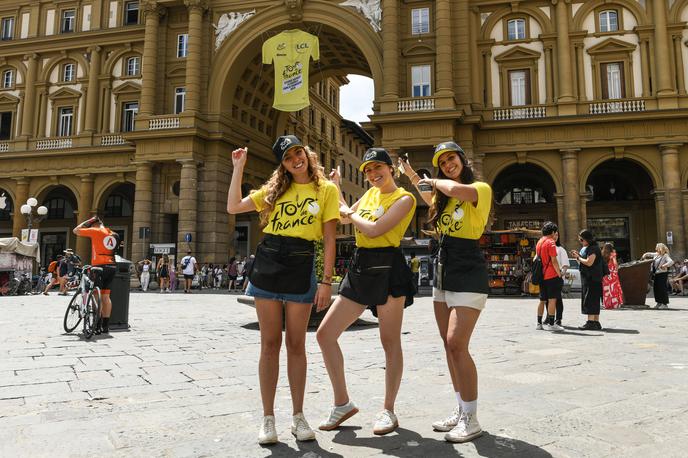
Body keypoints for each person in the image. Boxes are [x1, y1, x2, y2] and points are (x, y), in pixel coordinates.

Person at [227, 135, 339, 445]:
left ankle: (298, 416)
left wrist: (327, 282)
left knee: (297, 346)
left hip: (301, 265)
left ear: (306, 153)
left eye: (297, 153)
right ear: (283, 164)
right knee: (269, 344)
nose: (295, 159)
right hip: (269, 263)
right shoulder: (274, 190)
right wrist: (238, 167)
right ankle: (267, 418)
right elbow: (234, 206)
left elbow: (329, 240)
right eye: (288, 157)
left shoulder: (326, 189)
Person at [317, 147, 416, 436]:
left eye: (378, 168)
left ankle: (388, 409)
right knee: (325, 334)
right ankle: (342, 403)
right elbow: (346, 216)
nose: (373, 175)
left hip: (388, 266)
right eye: (368, 171)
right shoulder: (370, 194)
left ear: (391, 169)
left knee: (390, 341)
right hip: (361, 266)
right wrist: (336, 188)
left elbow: (374, 229)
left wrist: (349, 211)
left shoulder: (404, 198)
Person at [401, 142, 491, 443]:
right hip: (444, 269)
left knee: (456, 343)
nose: (447, 164)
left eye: (451, 158)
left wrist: (433, 180)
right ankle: (461, 407)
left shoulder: (479, 188)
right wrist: (414, 176)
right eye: (442, 162)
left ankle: (471, 417)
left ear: (462, 160)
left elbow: (451, 190)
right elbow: (431, 197)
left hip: (468, 269)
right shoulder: (444, 200)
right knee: (447, 345)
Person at [73, 216, 119, 334]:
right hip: (112, 267)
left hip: (99, 267)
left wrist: (88, 221)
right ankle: (105, 326)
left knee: (95, 295)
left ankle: (96, 325)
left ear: (94, 225)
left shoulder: (96, 230)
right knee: (106, 297)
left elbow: (76, 230)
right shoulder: (114, 234)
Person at [571, 229, 603, 330]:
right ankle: (596, 322)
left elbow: (589, 262)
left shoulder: (593, 248)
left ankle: (590, 322)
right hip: (591, 278)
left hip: (592, 278)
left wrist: (578, 258)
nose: (581, 242)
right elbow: (584, 262)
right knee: (593, 299)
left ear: (587, 239)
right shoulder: (589, 248)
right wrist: (578, 257)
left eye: (581, 240)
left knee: (590, 299)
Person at [534, 222, 563, 331]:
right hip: (551, 275)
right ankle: (551, 324)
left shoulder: (540, 241)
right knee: (552, 300)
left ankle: (538, 323)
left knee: (542, 300)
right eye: (555, 232)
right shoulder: (551, 242)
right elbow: (554, 261)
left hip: (542, 275)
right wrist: (559, 273)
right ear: (552, 232)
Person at [642, 243, 674, 309]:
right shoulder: (657, 255)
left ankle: (664, 304)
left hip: (662, 274)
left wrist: (664, 265)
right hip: (656, 274)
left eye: (657, 247)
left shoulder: (665, 255)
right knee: (656, 289)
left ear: (660, 248)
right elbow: (649, 254)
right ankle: (659, 302)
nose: (655, 248)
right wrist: (644, 255)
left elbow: (671, 262)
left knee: (662, 288)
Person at [554, 233, 570, 326]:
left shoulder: (560, 249)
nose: (555, 237)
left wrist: (562, 273)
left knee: (557, 298)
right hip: (547, 277)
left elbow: (565, 264)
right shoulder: (545, 247)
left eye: (556, 235)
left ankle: (558, 318)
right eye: (553, 234)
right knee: (547, 299)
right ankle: (549, 316)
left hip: (557, 277)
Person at [601, 243, 623, 309]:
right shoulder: (612, 253)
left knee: (606, 289)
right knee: (614, 289)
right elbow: (615, 263)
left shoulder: (602, 254)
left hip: (605, 273)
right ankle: (615, 304)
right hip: (612, 273)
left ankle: (607, 304)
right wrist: (616, 270)